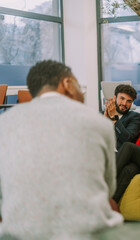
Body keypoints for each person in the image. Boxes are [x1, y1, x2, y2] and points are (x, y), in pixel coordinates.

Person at [0, 60, 123, 239]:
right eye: (78, 85)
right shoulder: (99, 123)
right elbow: (108, 189)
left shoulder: (4, 123)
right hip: (86, 234)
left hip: (19, 234)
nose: (80, 92)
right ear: (67, 84)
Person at [103, 84, 140, 151]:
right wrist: (104, 120)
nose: (124, 103)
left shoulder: (135, 117)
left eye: (129, 101)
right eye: (122, 98)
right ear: (115, 98)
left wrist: (114, 118)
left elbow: (127, 139)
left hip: (120, 154)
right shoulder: (101, 114)